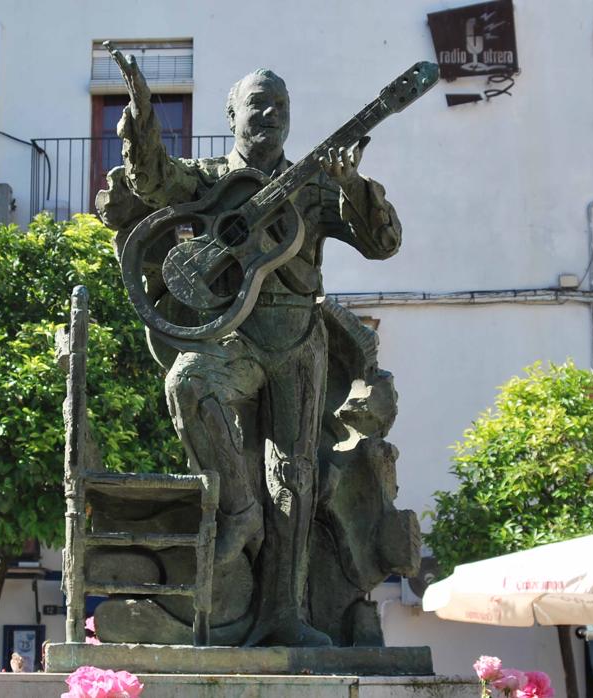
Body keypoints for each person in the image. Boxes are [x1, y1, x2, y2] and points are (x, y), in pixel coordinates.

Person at [97, 50, 402, 647]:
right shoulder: (211, 178)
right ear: (231, 113)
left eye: (280, 106)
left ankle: (285, 616)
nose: (270, 114)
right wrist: (140, 112)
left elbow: (383, 243)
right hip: (232, 335)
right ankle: (238, 506)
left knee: (293, 475)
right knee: (189, 382)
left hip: (298, 340)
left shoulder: (318, 181)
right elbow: (154, 179)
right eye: (257, 104)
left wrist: (353, 186)